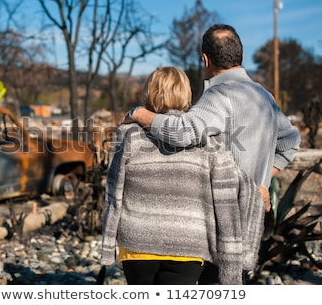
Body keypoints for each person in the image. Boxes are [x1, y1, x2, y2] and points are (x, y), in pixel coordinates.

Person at [120, 24, 301, 284]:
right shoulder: (264, 97)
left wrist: (138, 113)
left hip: (219, 221)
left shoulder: (219, 95)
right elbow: (291, 142)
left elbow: (182, 132)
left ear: (205, 59)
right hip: (249, 218)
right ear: (241, 55)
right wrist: (260, 182)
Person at [100, 66, 265, 285]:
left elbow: (113, 193)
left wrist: (107, 245)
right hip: (189, 246)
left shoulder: (128, 135)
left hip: (136, 243)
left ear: (149, 93)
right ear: (186, 94)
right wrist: (256, 190)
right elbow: (227, 193)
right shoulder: (209, 141)